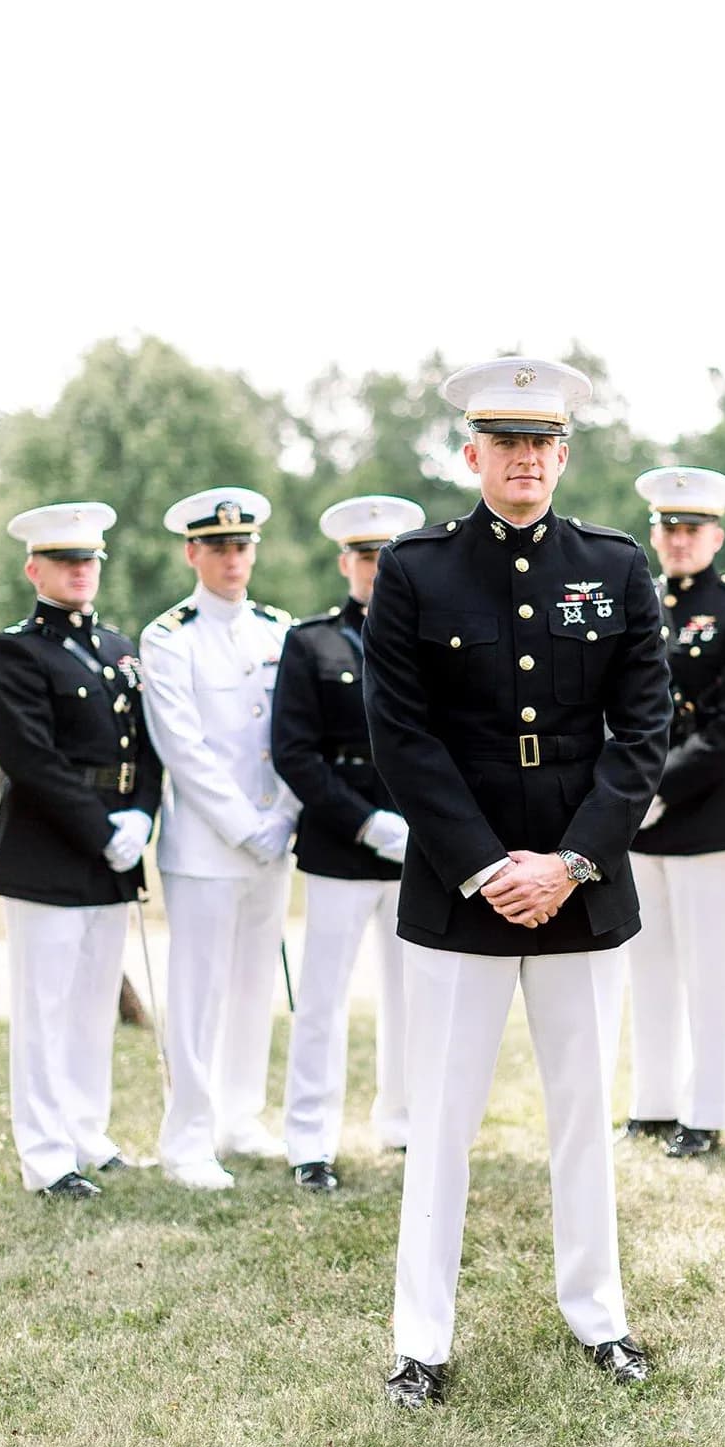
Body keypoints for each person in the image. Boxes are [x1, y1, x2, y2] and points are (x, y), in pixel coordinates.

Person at [364, 357, 671, 1407]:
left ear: (564, 454)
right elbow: (399, 735)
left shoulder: (618, 566)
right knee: (440, 1119)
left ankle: (600, 1315)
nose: (526, 459)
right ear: (473, 454)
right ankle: (421, 1338)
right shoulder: (414, 570)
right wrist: (489, 865)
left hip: (582, 885)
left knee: (583, 1113)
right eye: (507, 443)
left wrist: (574, 859)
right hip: (462, 888)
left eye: (543, 443)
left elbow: (642, 731)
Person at [0, 502, 163, 1198]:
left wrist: (142, 814)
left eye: (88, 560)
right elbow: (32, 759)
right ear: (35, 569)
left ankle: (89, 1131)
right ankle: (47, 1157)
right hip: (49, 851)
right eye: (64, 560)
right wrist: (101, 828)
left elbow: (148, 744)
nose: (79, 571)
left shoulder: (118, 647)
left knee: (92, 1003)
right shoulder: (17, 651)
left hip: (114, 847)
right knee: (46, 1009)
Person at [142, 487, 298, 1191]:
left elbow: (296, 734)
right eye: (218, 547)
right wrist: (247, 826)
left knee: (253, 983)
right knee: (199, 993)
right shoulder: (167, 636)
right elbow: (184, 748)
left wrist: (284, 816)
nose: (233, 558)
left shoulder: (279, 629)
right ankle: (187, 1140)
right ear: (192, 553)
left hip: (275, 835)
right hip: (208, 846)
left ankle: (240, 1117)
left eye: (242, 546)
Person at [619, 465, 725, 1159]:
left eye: (693, 528)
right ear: (655, 533)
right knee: (646, 969)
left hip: (704, 814)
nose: (679, 539)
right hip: (633, 820)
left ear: (715, 535)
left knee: (709, 975)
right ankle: (653, 1104)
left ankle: (706, 1111)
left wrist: (658, 789)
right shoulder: (635, 603)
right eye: (669, 527)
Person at [270, 494, 426, 1192]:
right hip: (340, 843)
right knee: (322, 1001)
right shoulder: (310, 642)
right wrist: (364, 822)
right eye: (365, 556)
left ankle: (406, 1122)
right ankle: (310, 1141)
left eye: (388, 554)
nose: (376, 567)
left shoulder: (431, 636)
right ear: (346, 563)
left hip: (418, 844)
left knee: (415, 996)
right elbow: (294, 753)